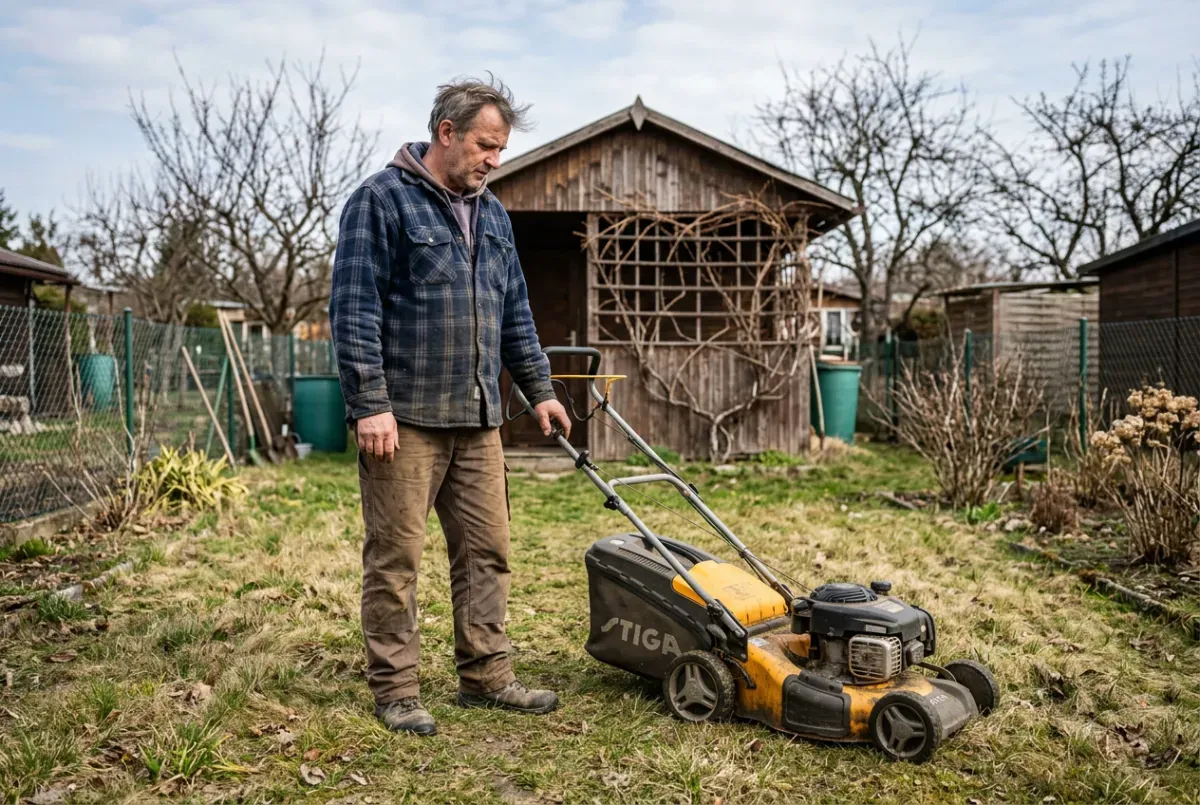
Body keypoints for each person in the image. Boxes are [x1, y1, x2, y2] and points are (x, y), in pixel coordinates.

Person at [329, 76, 571, 736]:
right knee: (395, 558)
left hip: (479, 417)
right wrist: (369, 401)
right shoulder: (380, 201)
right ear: (447, 134)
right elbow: (353, 309)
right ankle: (396, 688)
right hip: (403, 419)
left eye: (501, 149)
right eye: (486, 146)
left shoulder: (492, 214)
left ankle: (487, 676)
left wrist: (540, 389)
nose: (495, 160)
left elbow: (515, 312)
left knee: (487, 551)